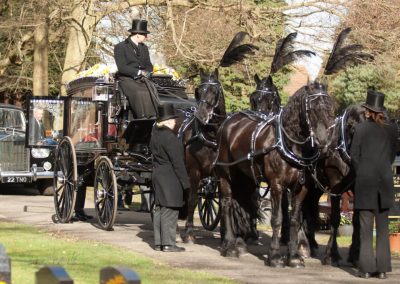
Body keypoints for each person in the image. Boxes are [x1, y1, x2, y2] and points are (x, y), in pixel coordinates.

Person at [350, 89, 399, 279]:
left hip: (365, 182)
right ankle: (383, 270)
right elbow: (392, 155)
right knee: (383, 228)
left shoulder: (361, 129)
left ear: (368, 111)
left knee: (365, 228)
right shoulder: (393, 129)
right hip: (385, 182)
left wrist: (363, 171)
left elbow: (354, 156)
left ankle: (366, 269)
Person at [150, 103, 190, 252]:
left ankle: (159, 243)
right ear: (167, 121)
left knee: (159, 209)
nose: (175, 122)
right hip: (170, 177)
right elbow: (178, 162)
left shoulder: (155, 135)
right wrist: (185, 182)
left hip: (158, 174)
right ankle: (168, 244)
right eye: (173, 120)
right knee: (170, 210)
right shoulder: (171, 138)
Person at [114, 19, 158, 119]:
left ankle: (154, 116)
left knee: (152, 90)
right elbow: (122, 67)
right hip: (126, 78)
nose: (146, 37)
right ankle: (142, 117)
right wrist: (138, 72)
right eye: (145, 35)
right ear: (137, 35)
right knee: (139, 92)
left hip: (142, 79)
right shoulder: (120, 47)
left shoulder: (144, 48)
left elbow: (148, 65)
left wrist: (148, 72)